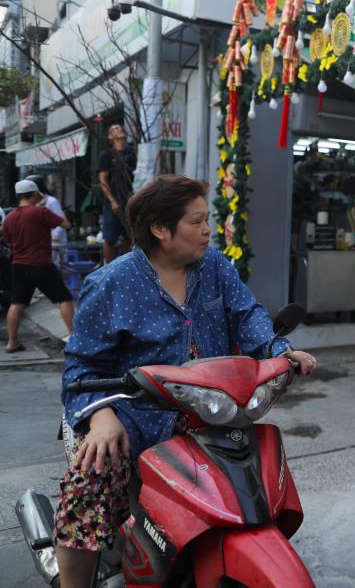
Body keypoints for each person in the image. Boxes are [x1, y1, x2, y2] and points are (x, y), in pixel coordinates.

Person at [54, 174, 319, 588]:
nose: (207, 230)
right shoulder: (111, 283)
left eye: (206, 219)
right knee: (90, 481)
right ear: (161, 229)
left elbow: (246, 316)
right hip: (136, 417)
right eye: (196, 222)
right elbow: (81, 368)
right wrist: (102, 415)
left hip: (211, 411)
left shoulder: (213, 266)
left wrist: (277, 352)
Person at [0, 180, 74, 352]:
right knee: (64, 298)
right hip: (41, 264)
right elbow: (65, 224)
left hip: (18, 265)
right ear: (34, 194)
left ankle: (12, 342)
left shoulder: (9, 218)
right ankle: (74, 337)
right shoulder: (40, 211)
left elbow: (8, 240)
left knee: (17, 303)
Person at [97, 124, 136, 264]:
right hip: (113, 203)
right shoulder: (106, 155)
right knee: (110, 238)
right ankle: (109, 268)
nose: (119, 129)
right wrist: (112, 201)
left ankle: (124, 266)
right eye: (114, 129)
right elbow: (102, 179)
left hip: (131, 201)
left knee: (131, 237)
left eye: (120, 128)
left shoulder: (132, 153)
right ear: (110, 137)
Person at [27, 174, 68, 256]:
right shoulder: (33, 203)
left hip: (54, 243)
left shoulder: (52, 202)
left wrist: (55, 236)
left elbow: (61, 221)